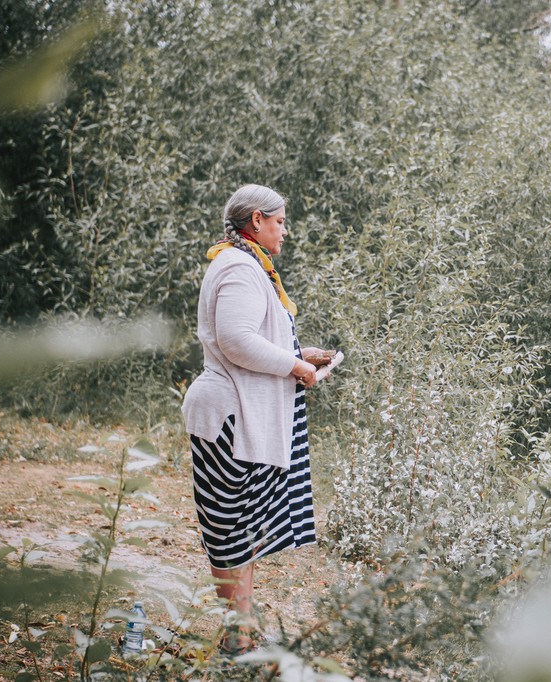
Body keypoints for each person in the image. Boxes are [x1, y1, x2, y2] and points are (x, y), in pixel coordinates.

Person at [181, 184, 339, 653]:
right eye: (280, 221)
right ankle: (237, 636)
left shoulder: (248, 265)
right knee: (230, 530)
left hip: (242, 412)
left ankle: (243, 631)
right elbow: (235, 340)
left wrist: (298, 352)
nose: (284, 231)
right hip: (231, 415)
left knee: (244, 528)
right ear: (256, 220)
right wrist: (295, 367)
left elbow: (252, 337)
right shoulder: (238, 266)